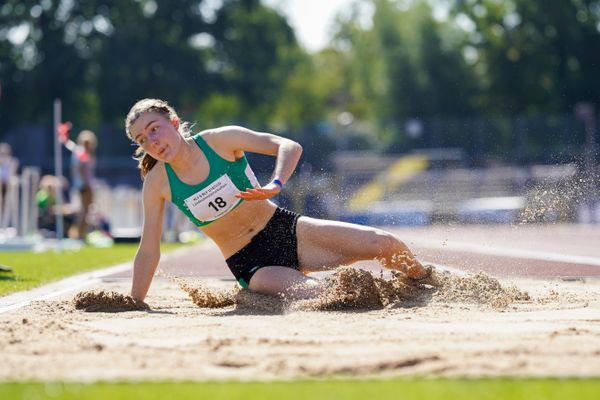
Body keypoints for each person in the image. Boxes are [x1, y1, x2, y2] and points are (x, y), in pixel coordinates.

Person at [125, 98, 437, 302]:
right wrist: (135, 303)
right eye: (142, 139)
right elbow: (149, 250)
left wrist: (275, 183)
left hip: (286, 229)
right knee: (326, 295)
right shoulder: (157, 184)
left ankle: (424, 281)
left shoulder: (220, 140)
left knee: (385, 244)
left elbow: (288, 145)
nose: (152, 141)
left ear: (175, 123)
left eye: (155, 129)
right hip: (251, 263)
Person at [60, 129, 98, 240]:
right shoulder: (81, 153)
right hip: (84, 186)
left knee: (86, 212)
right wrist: (86, 184)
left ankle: (80, 234)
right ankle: (78, 235)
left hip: (85, 185)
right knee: (84, 212)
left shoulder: (83, 153)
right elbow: (82, 170)